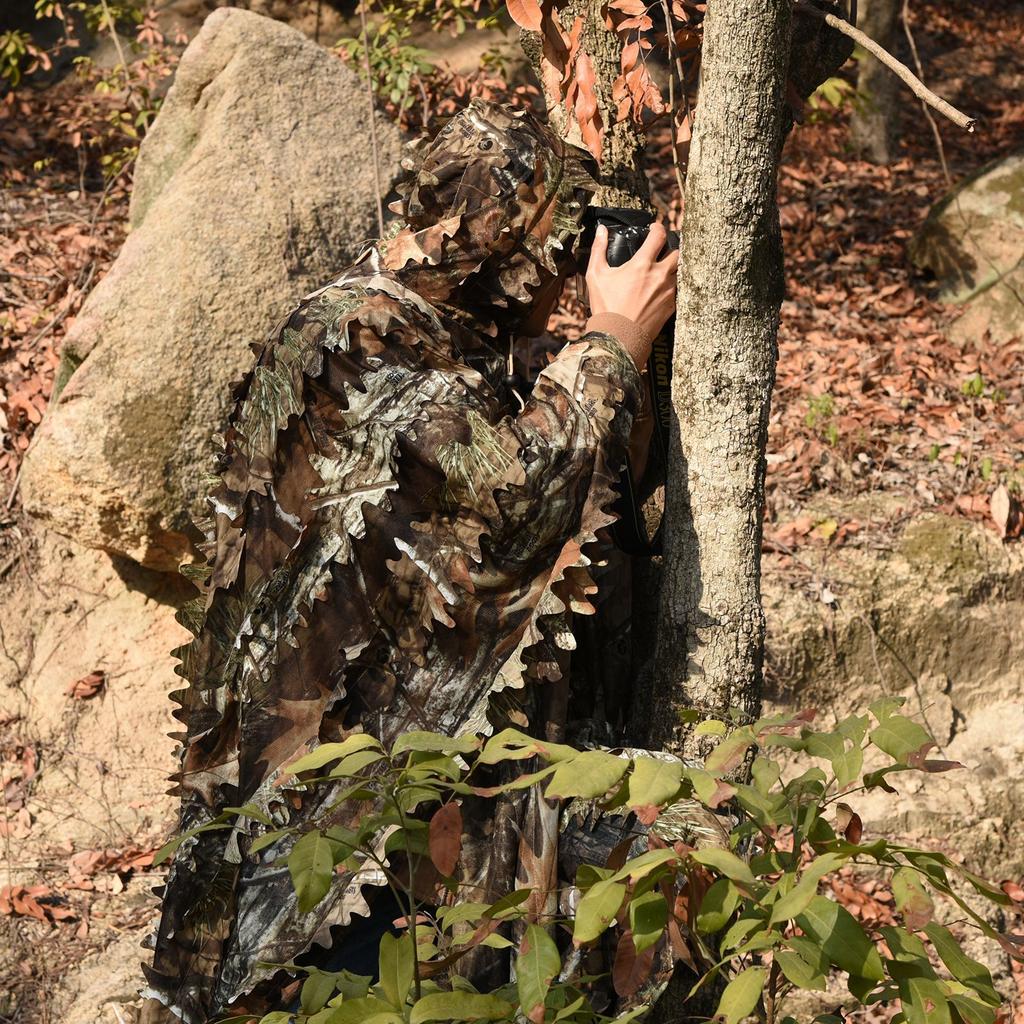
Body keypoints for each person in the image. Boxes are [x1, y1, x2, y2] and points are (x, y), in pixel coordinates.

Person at [140, 99, 678, 1024]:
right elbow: (498, 501)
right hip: (331, 832)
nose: (559, 282)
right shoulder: (371, 342)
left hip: (319, 801)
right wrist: (608, 349)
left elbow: (442, 441)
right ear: (508, 258)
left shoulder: (355, 321)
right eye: (552, 257)